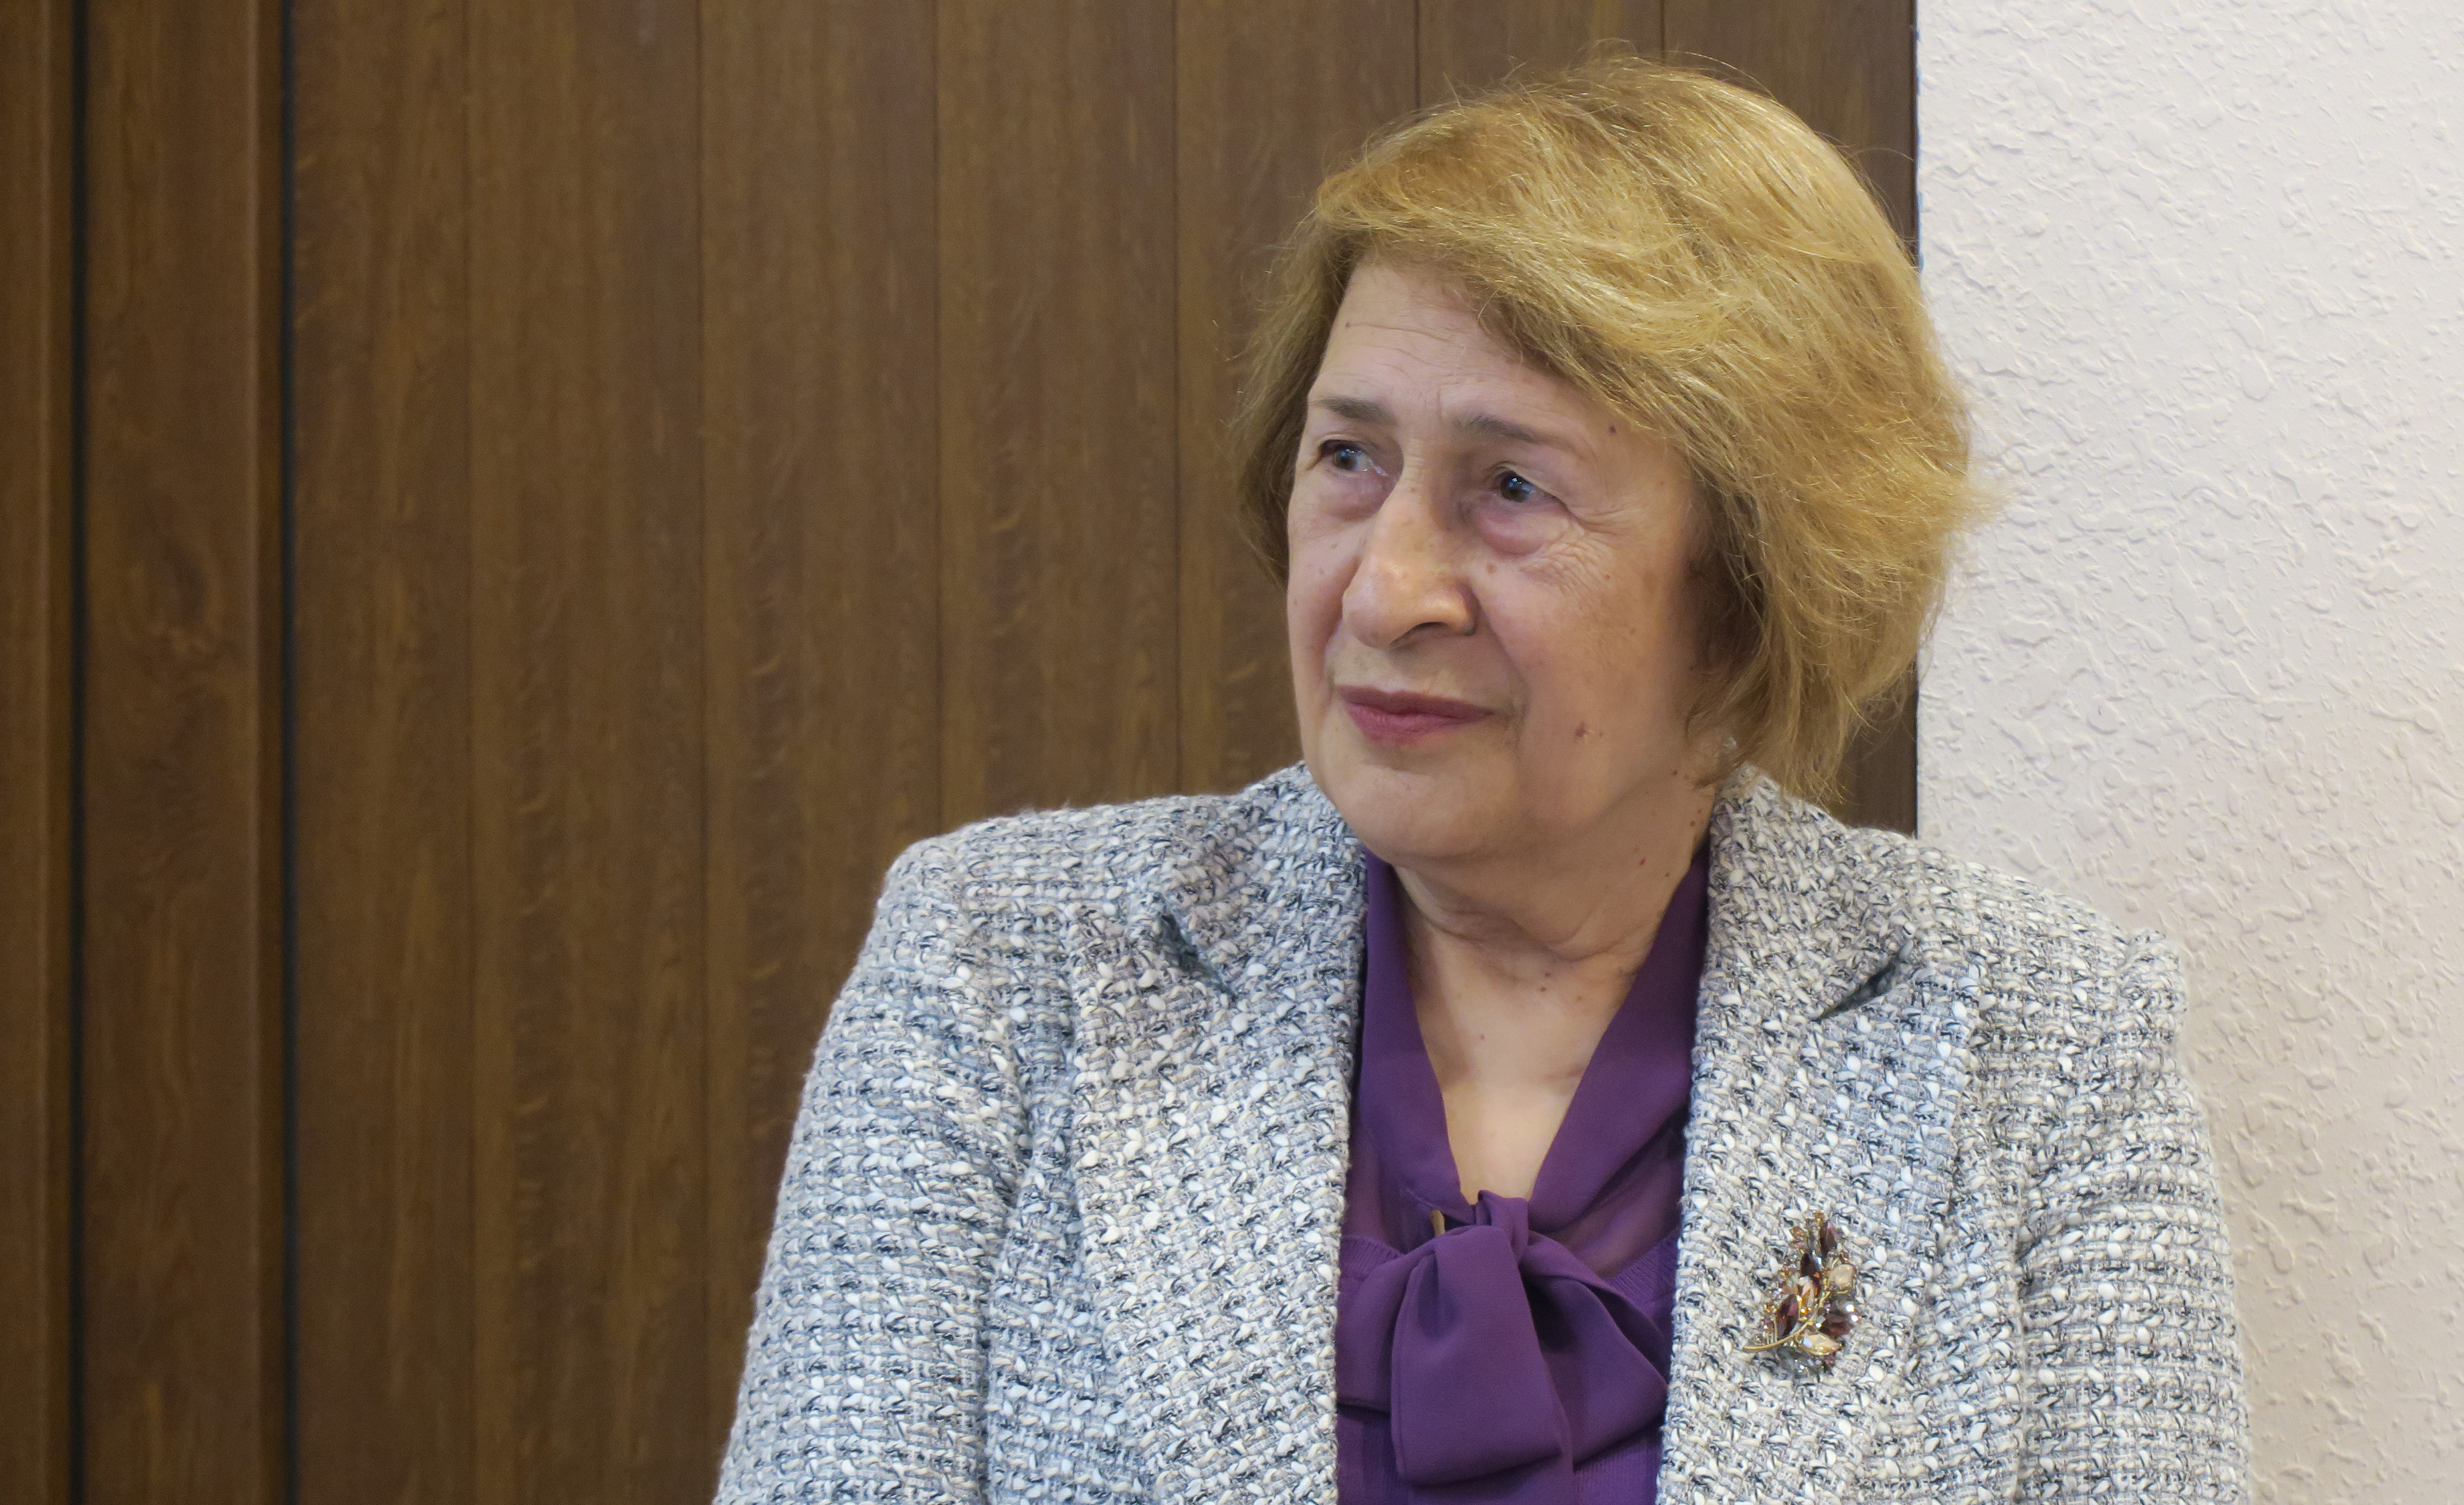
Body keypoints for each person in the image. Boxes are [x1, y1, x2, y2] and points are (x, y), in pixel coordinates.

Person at [714, 54, 2247, 1505]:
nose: (1384, 591)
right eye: (1347, 459)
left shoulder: (2039, 1046)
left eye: (1510, 488)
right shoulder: (998, 969)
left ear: (1748, 584)